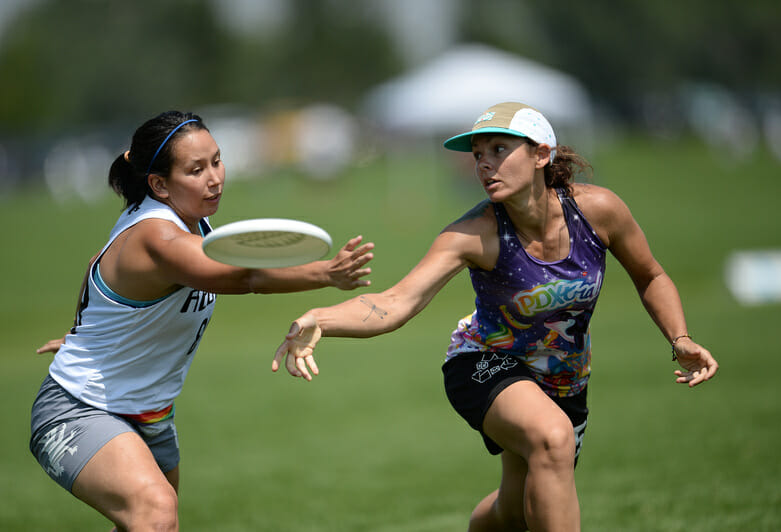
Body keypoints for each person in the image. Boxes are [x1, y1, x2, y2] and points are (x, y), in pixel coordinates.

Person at [272, 102, 719, 531]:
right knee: (553, 438)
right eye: (478, 154)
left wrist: (679, 338)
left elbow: (650, 274)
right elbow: (396, 302)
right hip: (483, 363)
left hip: (564, 379)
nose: (484, 165)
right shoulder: (474, 234)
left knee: (517, 511)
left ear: (541, 154)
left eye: (499, 151)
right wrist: (322, 319)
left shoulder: (598, 211)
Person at [30, 110, 375, 531]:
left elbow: (95, 266)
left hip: (151, 413)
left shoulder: (191, 221)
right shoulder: (156, 236)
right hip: (78, 407)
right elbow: (244, 277)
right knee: (156, 512)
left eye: (216, 160)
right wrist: (326, 273)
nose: (214, 177)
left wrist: (85, 330)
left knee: (146, 520)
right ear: (158, 184)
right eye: (196, 169)